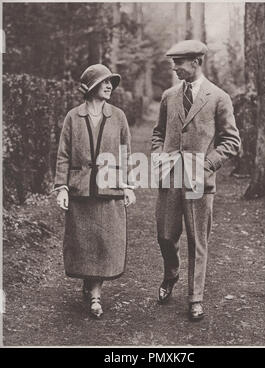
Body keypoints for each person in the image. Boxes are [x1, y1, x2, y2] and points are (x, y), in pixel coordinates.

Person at [152, 40, 241, 321]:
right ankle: (172, 274)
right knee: (166, 235)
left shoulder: (218, 97)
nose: (175, 68)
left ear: (196, 63)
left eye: (179, 63)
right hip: (170, 178)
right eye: (173, 63)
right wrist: (157, 154)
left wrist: (207, 164)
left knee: (197, 239)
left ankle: (195, 297)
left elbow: (231, 141)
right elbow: (158, 132)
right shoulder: (169, 96)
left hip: (200, 180)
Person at [54, 64, 136, 318]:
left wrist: (128, 185)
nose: (110, 86)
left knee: (104, 243)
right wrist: (61, 187)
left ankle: (96, 297)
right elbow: (63, 155)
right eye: (104, 82)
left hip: (109, 190)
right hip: (80, 191)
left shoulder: (118, 116)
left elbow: (126, 154)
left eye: (111, 82)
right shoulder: (73, 117)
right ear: (91, 87)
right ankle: (89, 283)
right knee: (83, 244)